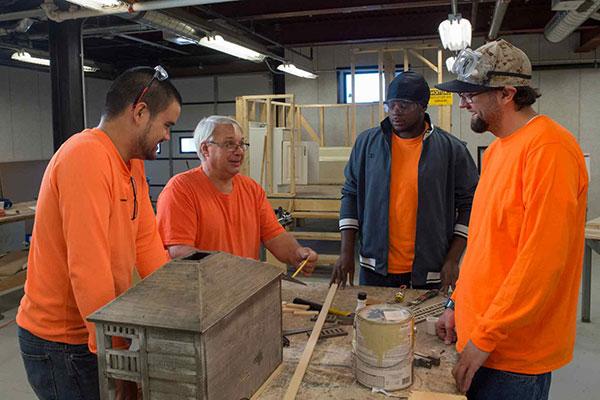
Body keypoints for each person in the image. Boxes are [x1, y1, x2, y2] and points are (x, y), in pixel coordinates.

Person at [435, 39, 588, 400]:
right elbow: (487, 246)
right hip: (482, 339)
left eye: (472, 93)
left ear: (506, 93)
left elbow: (540, 264)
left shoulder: (549, 151)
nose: (462, 102)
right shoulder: (498, 150)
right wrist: (457, 305)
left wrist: (485, 337)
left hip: (513, 356)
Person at [16, 66, 182, 400]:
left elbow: (147, 242)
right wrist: (115, 356)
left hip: (98, 328)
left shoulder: (131, 162)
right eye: (167, 125)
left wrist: (177, 308)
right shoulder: (85, 156)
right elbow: (88, 270)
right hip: (64, 343)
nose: (168, 136)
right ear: (139, 112)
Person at [330, 71, 478, 291]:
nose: (395, 112)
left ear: (423, 107)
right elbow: (350, 195)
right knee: (372, 322)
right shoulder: (367, 144)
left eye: (404, 105)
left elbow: (471, 206)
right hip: (374, 269)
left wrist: (453, 259)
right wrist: (346, 252)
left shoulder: (451, 150)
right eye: (391, 105)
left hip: (429, 270)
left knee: (422, 326)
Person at [156, 115, 318, 273]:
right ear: (205, 149)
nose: (239, 151)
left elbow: (274, 236)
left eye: (242, 144)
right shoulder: (181, 189)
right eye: (229, 144)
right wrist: (231, 268)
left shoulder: (251, 189)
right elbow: (180, 251)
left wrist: (296, 254)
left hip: (241, 288)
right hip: (199, 292)